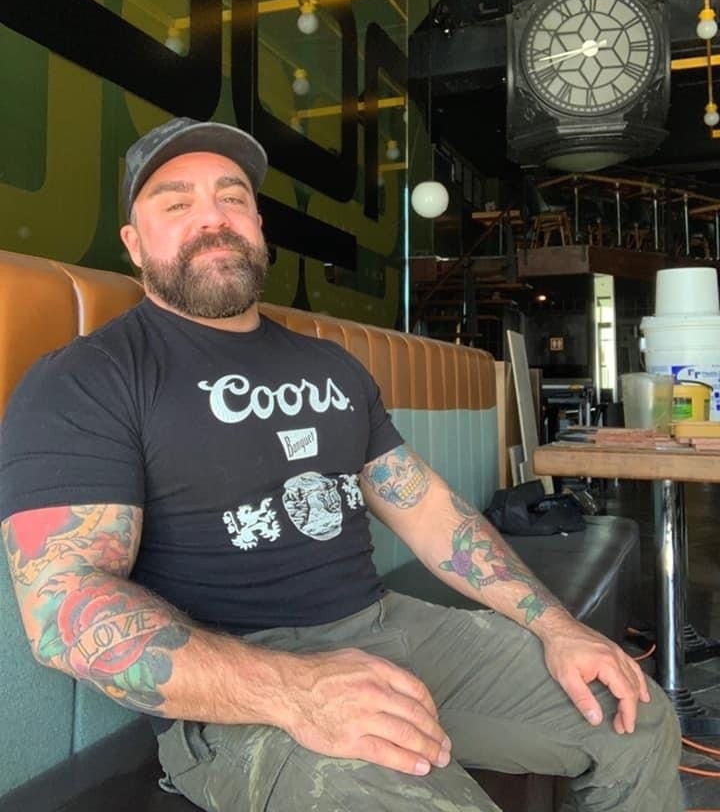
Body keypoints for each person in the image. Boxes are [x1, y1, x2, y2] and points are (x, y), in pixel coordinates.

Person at [0, 117, 681, 812]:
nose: (212, 218)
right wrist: (296, 689)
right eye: (177, 203)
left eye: (232, 198)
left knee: (636, 714)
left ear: (258, 227)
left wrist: (556, 626)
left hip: (386, 626)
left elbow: (427, 510)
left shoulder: (330, 366)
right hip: (236, 691)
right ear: (134, 244)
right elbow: (61, 606)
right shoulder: (87, 378)